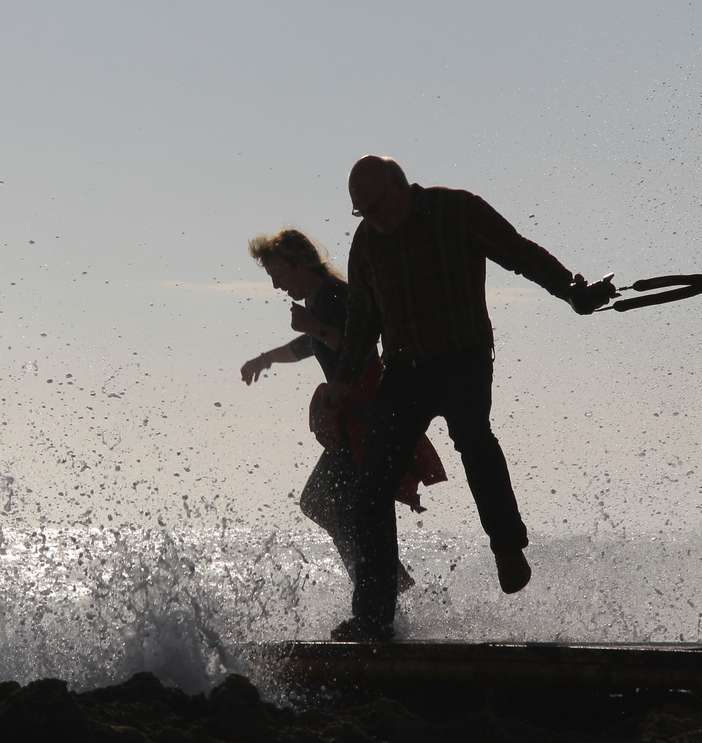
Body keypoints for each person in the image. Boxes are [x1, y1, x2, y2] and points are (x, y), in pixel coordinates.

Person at [326, 156, 615, 642]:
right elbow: (361, 316)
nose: (372, 219)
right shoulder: (368, 242)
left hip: (463, 357)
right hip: (405, 369)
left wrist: (570, 289)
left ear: (401, 188)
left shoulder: (457, 211)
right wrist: (343, 379)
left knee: (471, 436)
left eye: (375, 207)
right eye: (361, 213)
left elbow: (519, 253)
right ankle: (373, 617)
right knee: (372, 482)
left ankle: (507, 547)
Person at [240, 229, 443, 592]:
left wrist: (312, 325)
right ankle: (386, 584)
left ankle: (383, 587)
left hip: (367, 422)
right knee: (327, 505)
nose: (275, 285)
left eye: (278, 274)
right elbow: (310, 345)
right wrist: (266, 358)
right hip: (354, 425)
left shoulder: (337, 294)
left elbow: (356, 344)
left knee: (326, 503)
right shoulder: (319, 300)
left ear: (298, 263)